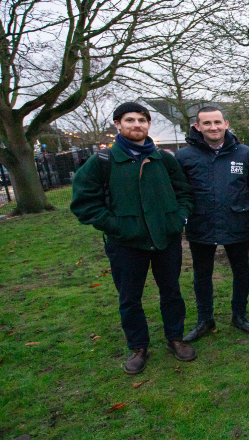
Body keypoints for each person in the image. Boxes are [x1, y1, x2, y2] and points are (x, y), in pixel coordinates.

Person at [71, 102, 196, 374]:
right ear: (118, 124)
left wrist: (178, 219)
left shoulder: (164, 159)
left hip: (165, 238)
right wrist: (117, 226)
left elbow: (184, 192)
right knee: (130, 298)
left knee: (172, 291)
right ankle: (138, 347)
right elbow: (84, 204)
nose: (137, 125)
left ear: (148, 124)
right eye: (130, 120)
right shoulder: (102, 162)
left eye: (142, 120)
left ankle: (175, 338)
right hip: (125, 244)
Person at [175, 107, 249, 343]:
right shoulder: (184, 157)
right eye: (206, 123)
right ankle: (205, 319)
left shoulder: (246, 154)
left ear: (225, 123)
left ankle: (239, 315)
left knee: (241, 271)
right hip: (201, 224)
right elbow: (180, 191)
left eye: (217, 122)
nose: (212, 127)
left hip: (237, 223)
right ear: (197, 127)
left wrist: (240, 205)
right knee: (202, 274)